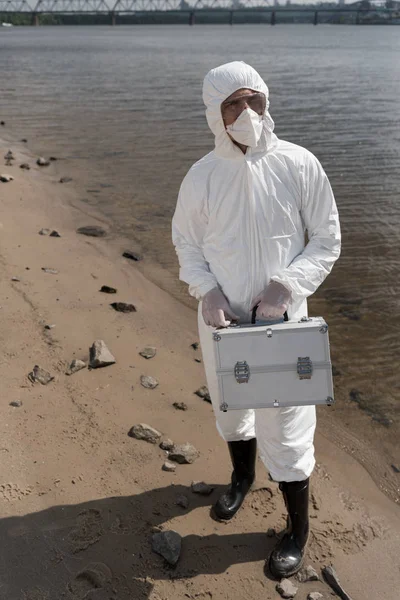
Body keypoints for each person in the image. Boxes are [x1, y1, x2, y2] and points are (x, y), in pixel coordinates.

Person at [172, 61, 341, 579]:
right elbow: (187, 243)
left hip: (284, 325)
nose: (246, 113)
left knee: (289, 427)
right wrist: (207, 291)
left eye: (255, 101)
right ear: (213, 114)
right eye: (232, 104)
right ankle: (242, 478)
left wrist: (286, 285)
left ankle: (296, 530)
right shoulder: (202, 176)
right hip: (222, 323)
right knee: (232, 407)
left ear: (268, 102)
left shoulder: (299, 164)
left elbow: (327, 238)